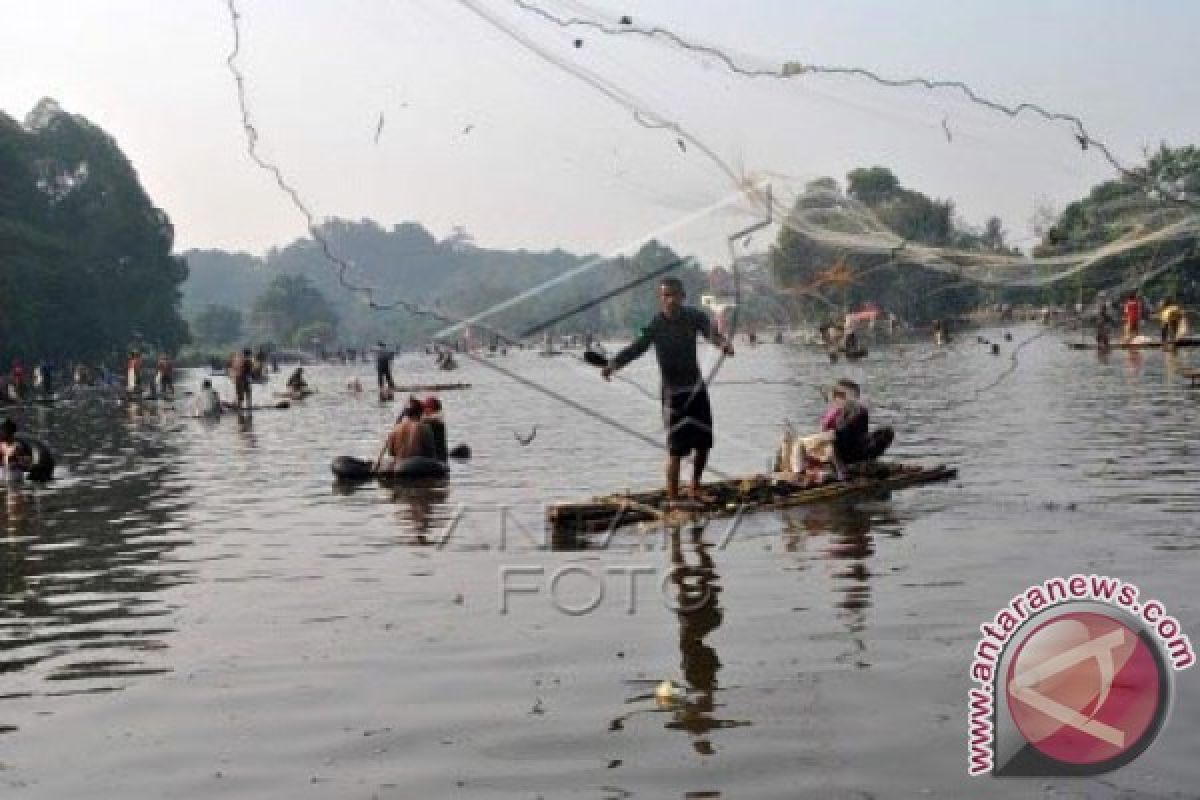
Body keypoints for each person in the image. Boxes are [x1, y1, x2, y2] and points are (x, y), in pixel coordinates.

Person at [601, 277, 734, 505]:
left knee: (703, 444)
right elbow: (636, 348)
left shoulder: (694, 317)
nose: (670, 300)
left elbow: (710, 333)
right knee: (676, 450)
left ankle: (695, 488)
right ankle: (673, 500)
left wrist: (722, 344)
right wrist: (613, 364)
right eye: (665, 296)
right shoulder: (655, 325)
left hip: (696, 389)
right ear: (660, 299)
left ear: (682, 296)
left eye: (674, 295)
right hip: (673, 394)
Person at [375, 397, 435, 471]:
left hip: (398, 466)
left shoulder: (395, 428)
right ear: (420, 413)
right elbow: (431, 453)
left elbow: (391, 453)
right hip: (415, 466)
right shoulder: (424, 427)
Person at [421, 396, 449, 463]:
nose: (425, 410)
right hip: (439, 457)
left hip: (435, 458)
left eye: (427, 407)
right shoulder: (438, 421)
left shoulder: (434, 422)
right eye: (425, 407)